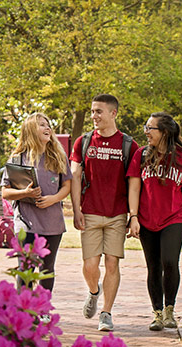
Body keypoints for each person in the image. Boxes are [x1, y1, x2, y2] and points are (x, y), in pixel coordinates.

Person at [70, 94, 139, 332]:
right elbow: (75, 176)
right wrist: (76, 209)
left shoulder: (129, 145)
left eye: (99, 111)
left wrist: (133, 215)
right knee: (90, 265)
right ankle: (93, 291)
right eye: (92, 111)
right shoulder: (84, 142)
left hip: (117, 214)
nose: (94, 116)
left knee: (112, 263)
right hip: (89, 212)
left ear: (113, 113)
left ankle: (106, 313)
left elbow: (133, 183)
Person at [127, 112, 182, 331]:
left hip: (173, 218)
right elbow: (134, 187)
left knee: (170, 262)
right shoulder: (141, 155)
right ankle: (157, 314)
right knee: (153, 266)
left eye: (151, 128)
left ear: (165, 132)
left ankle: (170, 310)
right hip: (147, 219)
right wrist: (133, 217)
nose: (146, 132)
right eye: (146, 128)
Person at [1, 112, 72, 292]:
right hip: (26, 224)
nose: (47, 128)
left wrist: (53, 199)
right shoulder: (17, 159)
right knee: (25, 270)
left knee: (47, 270)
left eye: (48, 124)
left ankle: (43, 309)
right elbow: (5, 192)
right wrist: (24, 193)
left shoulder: (58, 157)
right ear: (31, 130)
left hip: (52, 223)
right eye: (41, 124)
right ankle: (24, 312)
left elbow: (67, 186)